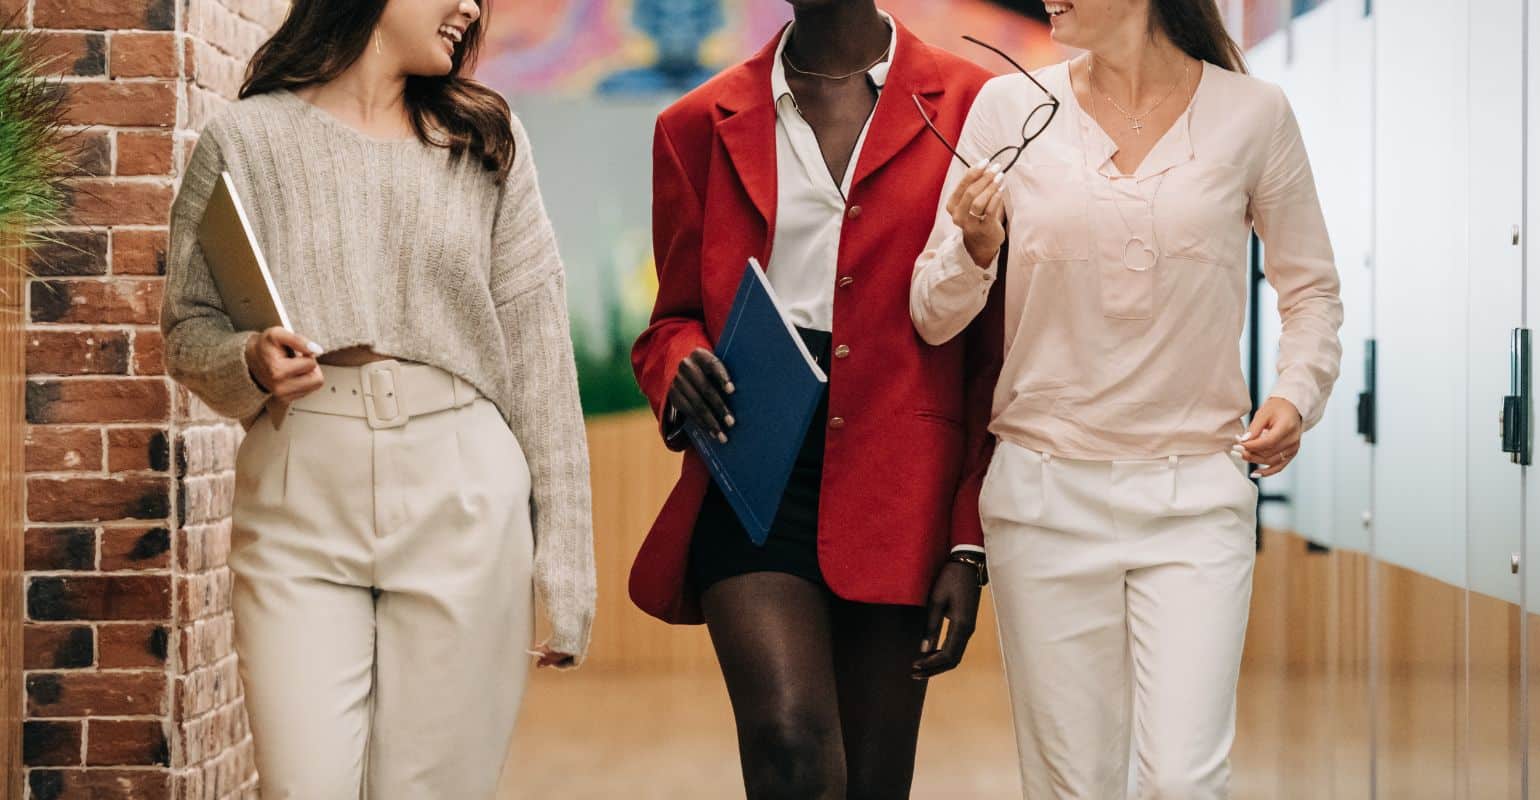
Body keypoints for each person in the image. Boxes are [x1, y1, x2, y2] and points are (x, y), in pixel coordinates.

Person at [910, 0, 1344, 796]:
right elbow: (932, 315)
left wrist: (1297, 391)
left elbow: (1310, 292)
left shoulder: (1254, 113)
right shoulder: (1010, 109)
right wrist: (974, 247)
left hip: (1196, 502)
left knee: (1185, 782)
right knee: (1073, 784)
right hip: (1043, 502)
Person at [161, 1, 595, 795]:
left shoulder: (484, 140)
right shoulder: (247, 140)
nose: (470, 7)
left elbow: (539, 357)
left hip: (463, 488)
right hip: (299, 494)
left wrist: (565, 566)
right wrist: (248, 360)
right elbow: (187, 329)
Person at [628, 1, 1001, 796]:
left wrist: (968, 541)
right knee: (787, 744)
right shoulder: (695, 122)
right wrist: (680, 360)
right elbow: (670, 318)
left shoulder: (976, 103)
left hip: (903, 476)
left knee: (872, 782)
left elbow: (994, 349)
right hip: (752, 459)